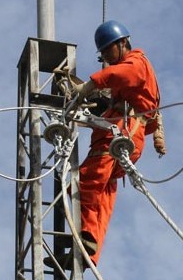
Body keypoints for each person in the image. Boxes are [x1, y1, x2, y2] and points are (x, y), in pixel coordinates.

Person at [67, 20, 166, 267]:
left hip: (121, 133)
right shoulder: (132, 72)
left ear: (122, 43)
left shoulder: (137, 62)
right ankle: (89, 252)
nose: (106, 58)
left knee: (85, 182)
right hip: (127, 136)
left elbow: (122, 74)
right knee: (103, 194)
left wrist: (91, 84)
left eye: (108, 51)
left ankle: (86, 234)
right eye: (102, 54)